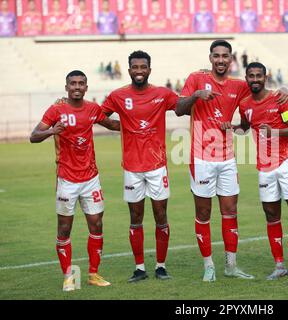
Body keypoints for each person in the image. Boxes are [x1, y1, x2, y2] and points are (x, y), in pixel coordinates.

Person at [176, 40, 288, 282]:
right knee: (204, 213)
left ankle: (231, 265)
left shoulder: (239, 85)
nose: (220, 60)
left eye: (225, 56)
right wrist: (196, 95)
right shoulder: (196, 78)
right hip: (201, 157)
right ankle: (209, 266)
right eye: (216, 55)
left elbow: (262, 91)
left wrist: (285, 91)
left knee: (230, 212)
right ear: (210, 58)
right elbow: (178, 109)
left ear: (230, 59)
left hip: (227, 158)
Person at [227, 62, 288, 279]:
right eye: (250, 76)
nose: (254, 79)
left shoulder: (280, 99)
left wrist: (274, 132)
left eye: (258, 76)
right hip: (264, 166)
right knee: (271, 216)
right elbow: (245, 126)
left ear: (265, 77)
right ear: (246, 78)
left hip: (286, 161)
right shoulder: (244, 104)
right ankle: (280, 265)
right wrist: (232, 128)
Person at [29, 70, 120, 291]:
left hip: (91, 178)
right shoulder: (57, 109)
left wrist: (136, 117)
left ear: (86, 87)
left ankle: (93, 274)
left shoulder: (92, 109)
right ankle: (68, 276)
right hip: (67, 179)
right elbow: (33, 136)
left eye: (81, 83)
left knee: (97, 224)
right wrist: (52, 131)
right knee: (64, 228)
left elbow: (113, 125)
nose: (77, 87)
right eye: (73, 83)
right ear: (67, 86)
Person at [101, 51, 179, 282]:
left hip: (157, 165)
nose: (139, 71)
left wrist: (198, 94)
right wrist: (119, 126)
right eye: (135, 67)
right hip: (132, 168)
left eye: (143, 67)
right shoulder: (118, 95)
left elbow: (182, 105)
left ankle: (161, 266)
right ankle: (139, 268)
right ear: (129, 70)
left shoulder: (162, 94)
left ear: (149, 70)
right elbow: (98, 115)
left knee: (160, 215)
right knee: (135, 217)